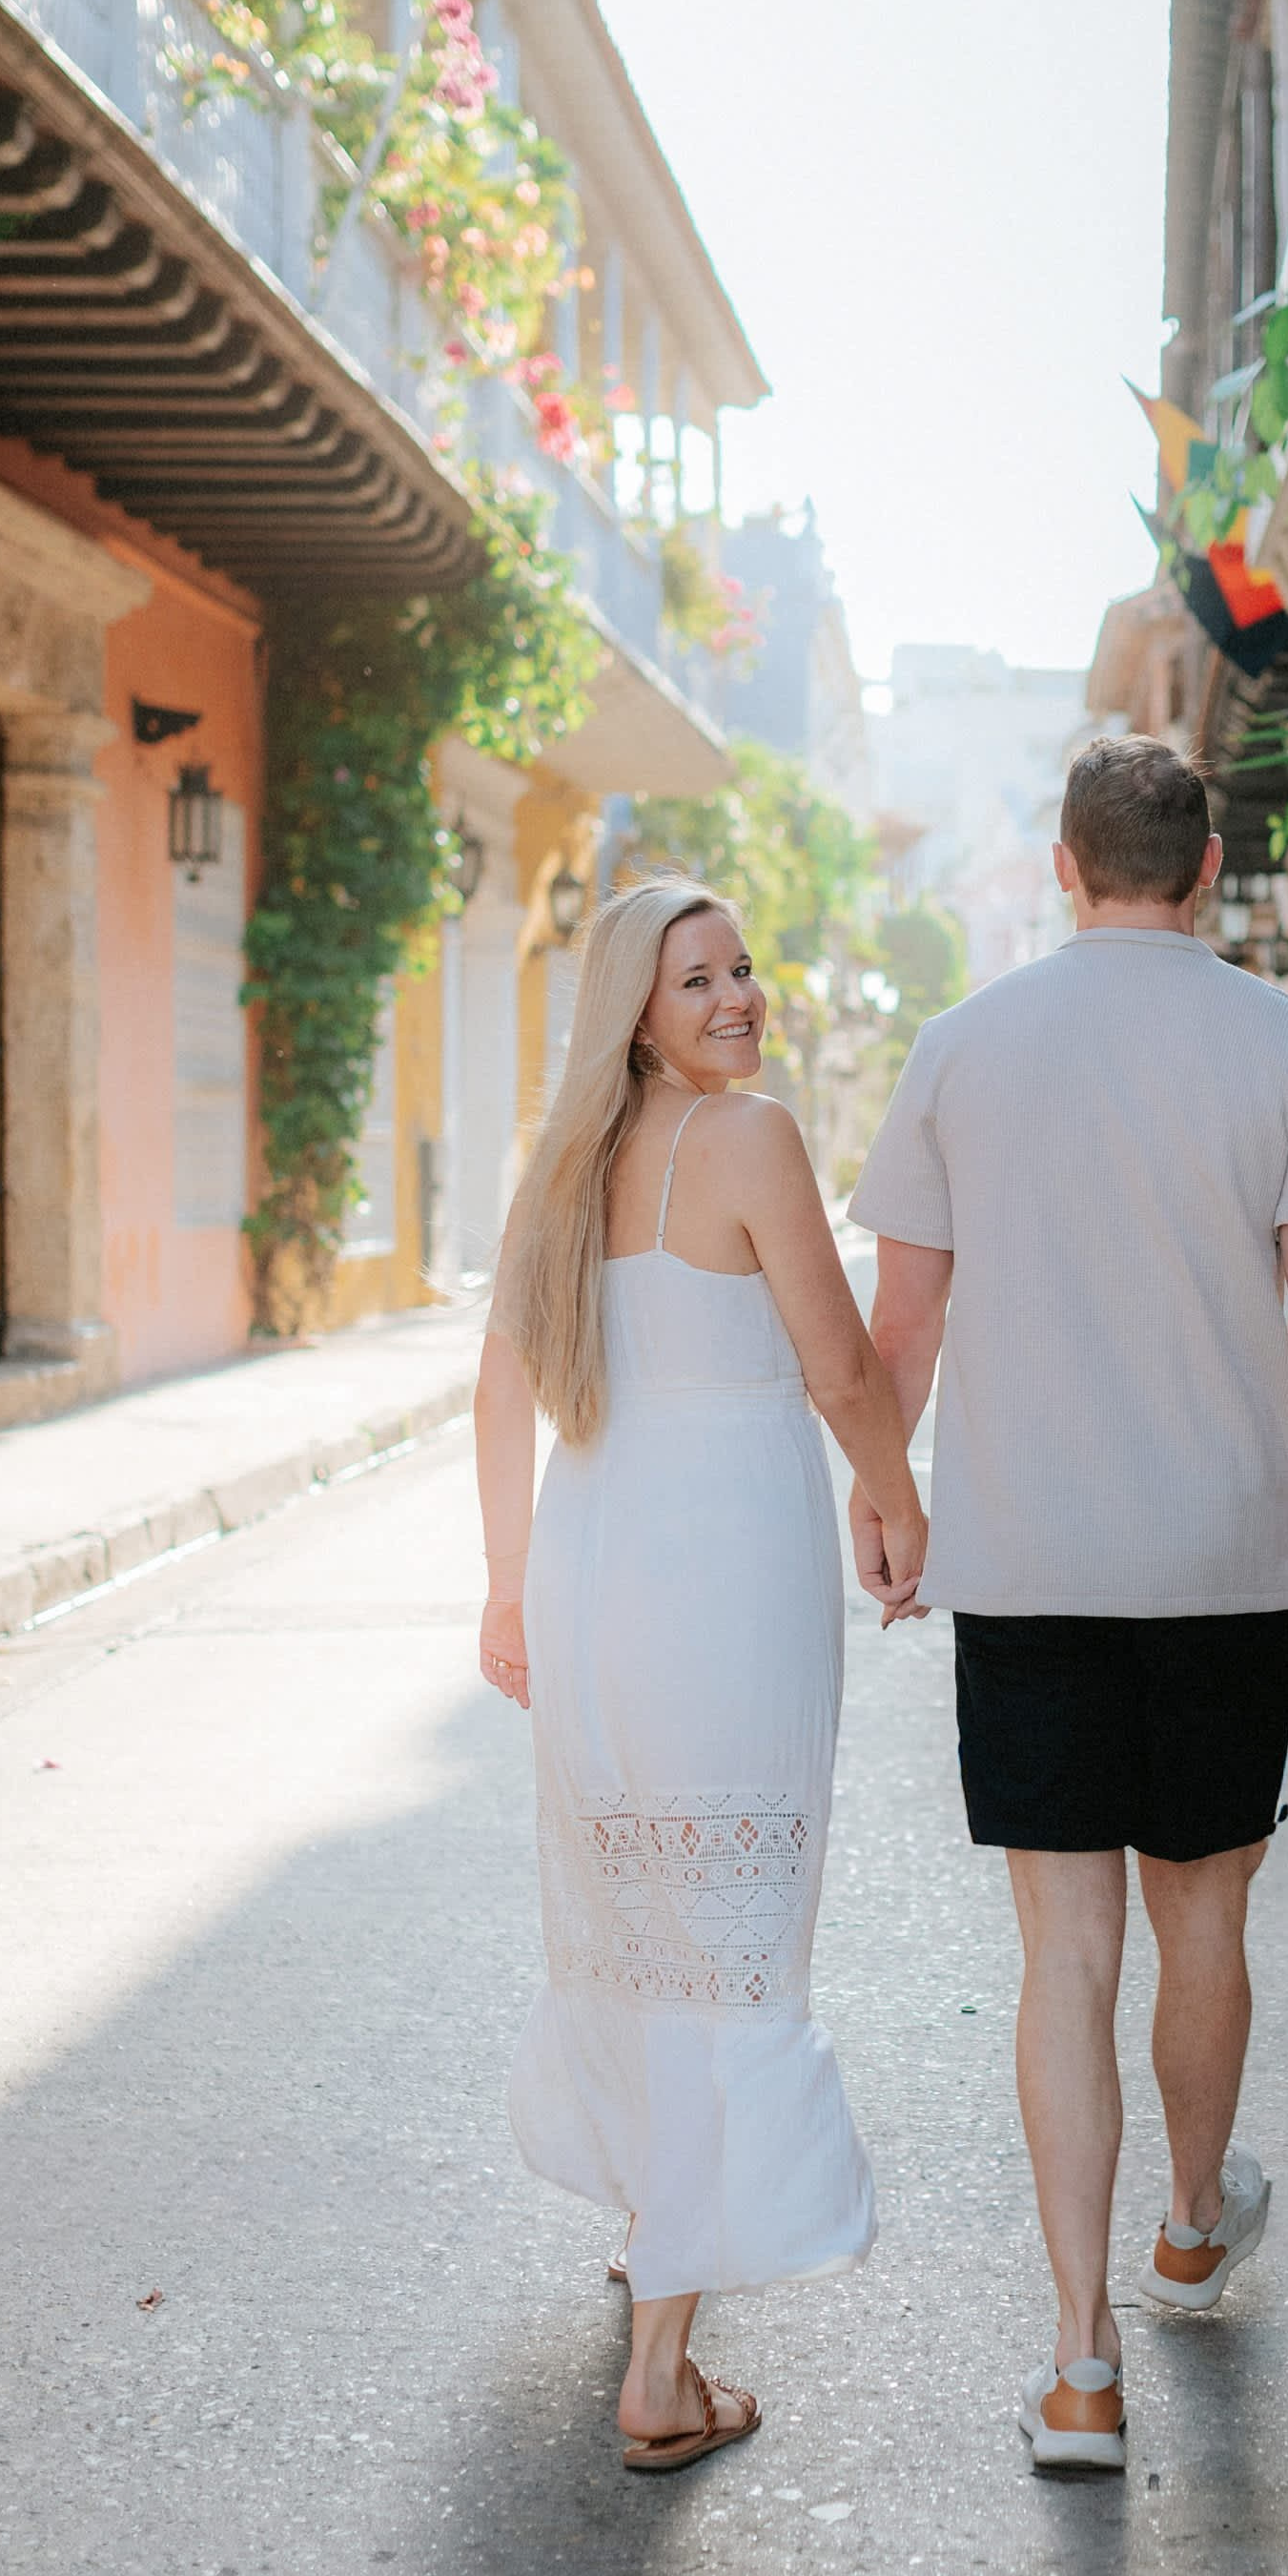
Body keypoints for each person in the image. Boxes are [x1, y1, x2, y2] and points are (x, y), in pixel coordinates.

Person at [847, 736, 1288, 2475]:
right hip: (1218, 1563)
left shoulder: (961, 1049)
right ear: (1204, 863)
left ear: (1062, 863)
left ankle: (1081, 2367)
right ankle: (1188, 2227)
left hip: (1027, 1566)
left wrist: (888, 1499)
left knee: (1063, 1953)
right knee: (1204, 1920)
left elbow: (901, 1334)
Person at [474, 879, 927, 2473]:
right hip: (723, 1564)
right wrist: (898, 1493)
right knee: (731, 1928)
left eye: (743, 967)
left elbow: (499, 1390)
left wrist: (504, 1583)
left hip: (599, 1556)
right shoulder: (748, 1142)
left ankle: (655, 2218)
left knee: (641, 1909)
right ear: (636, 1010)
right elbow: (840, 1366)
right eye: (699, 978)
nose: (740, 996)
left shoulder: (571, 1161)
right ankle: (663, 2373)